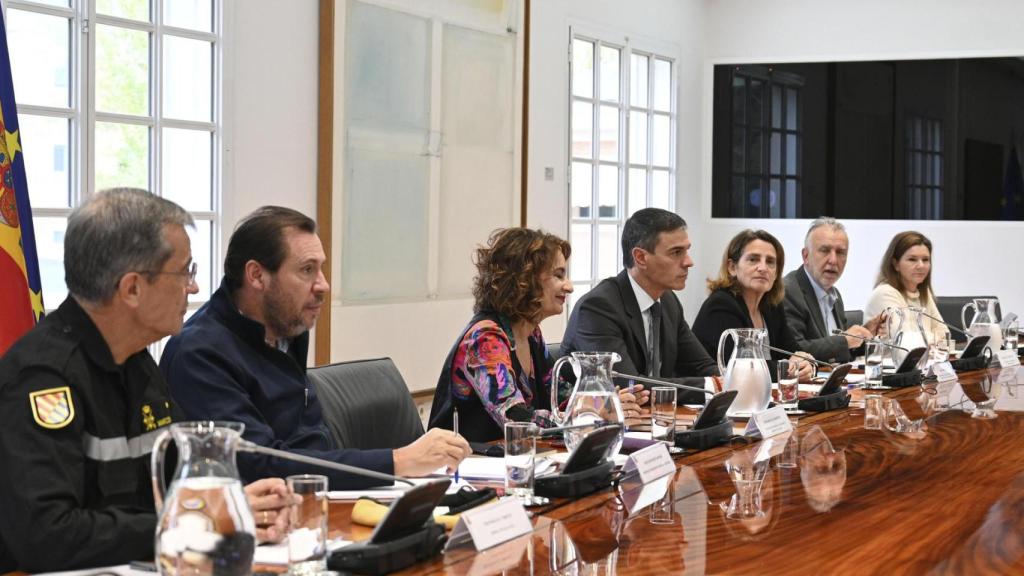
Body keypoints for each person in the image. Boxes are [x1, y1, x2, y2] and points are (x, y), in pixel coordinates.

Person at [0, 189, 294, 573]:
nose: (194, 288)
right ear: (133, 288)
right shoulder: (42, 379)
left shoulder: (136, 360)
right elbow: (48, 536)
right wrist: (197, 523)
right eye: (186, 271)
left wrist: (236, 503)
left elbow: (176, 480)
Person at [161, 206, 470, 489]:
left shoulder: (287, 328)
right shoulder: (199, 353)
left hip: (315, 502)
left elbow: (309, 444)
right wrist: (399, 461)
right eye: (307, 270)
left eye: (320, 269)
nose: (323, 285)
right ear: (257, 276)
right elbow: (258, 463)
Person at [427, 228, 648, 442]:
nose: (569, 286)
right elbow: (516, 420)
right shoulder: (486, 338)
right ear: (524, 279)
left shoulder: (531, 333)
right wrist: (592, 411)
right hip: (464, 468)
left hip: (515, 460)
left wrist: (609, 402)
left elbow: (562, 399)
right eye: (558, 275)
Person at [561, 208, 719, 405]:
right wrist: (713, 387)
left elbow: (701, 365)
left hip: (653, 421)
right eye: (676, 252)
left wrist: (729, 381)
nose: (689, 262)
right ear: (641, 258)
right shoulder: (598, 308)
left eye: (687, 250)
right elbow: (629, 385)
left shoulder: (668, 301)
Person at [692, 229, 814, 381]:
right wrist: (788, 367)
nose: (763, 268)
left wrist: (805, 364)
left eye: (770, 262)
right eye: (753, 259)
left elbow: (792, 353)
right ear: (732, 267)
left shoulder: (771, 306)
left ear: (776, 273)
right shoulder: (721, 305)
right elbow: (742, 368)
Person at [783, 217, 884, 363]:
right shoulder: (789, 291)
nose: (833, 260)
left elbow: (838, 352)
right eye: (824, 250)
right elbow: (793, 350)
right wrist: (844, 340)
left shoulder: (834, 294)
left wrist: (866, 335)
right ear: (806, 256)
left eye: (840, 252)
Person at [864, 231, 949, 343]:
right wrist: (934, 338)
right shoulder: (884, 293)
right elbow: (905, 341)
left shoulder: (923, 293)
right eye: (912, 259)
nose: (921, 266)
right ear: (895, 264)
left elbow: (945, 334)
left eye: (925, 260)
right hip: (889, 360)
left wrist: (929, 338)